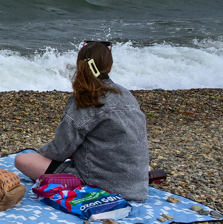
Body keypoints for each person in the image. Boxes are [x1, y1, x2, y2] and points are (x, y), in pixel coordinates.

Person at [15, 41, 149, 202]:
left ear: (80, 65)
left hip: (102, 185)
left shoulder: (85, 99)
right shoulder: (126, 94)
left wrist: (41, 154)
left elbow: (59, 150)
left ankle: (78, 185)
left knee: (23, 159)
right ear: (110, 67)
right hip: (137, 186)